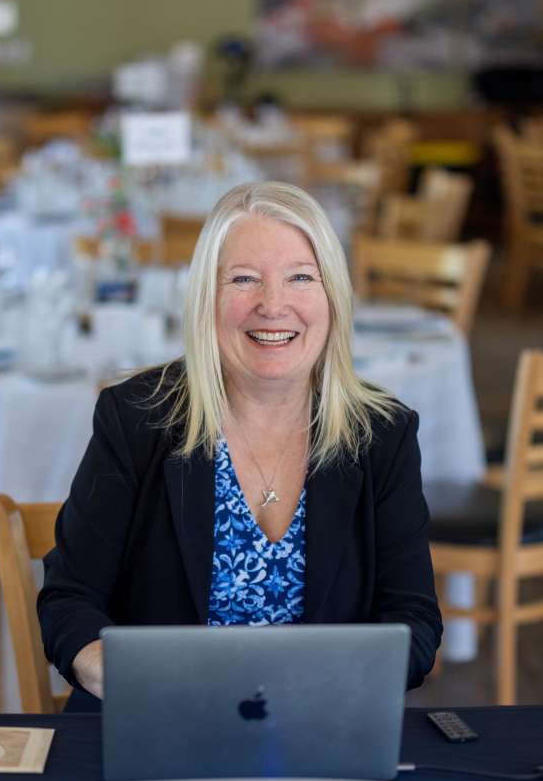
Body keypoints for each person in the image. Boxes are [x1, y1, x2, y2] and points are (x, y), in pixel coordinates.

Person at [38, 181, 442, 709]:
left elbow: (413, 619)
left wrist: (331, 686)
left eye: (301, 277)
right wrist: (130, 679)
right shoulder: (136, 419)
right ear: (208, 298)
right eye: (245, 279)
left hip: (321, 723)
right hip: (157, 718)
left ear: (334, 298)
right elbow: (69, 598)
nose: (273, 305)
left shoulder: (382, 434)